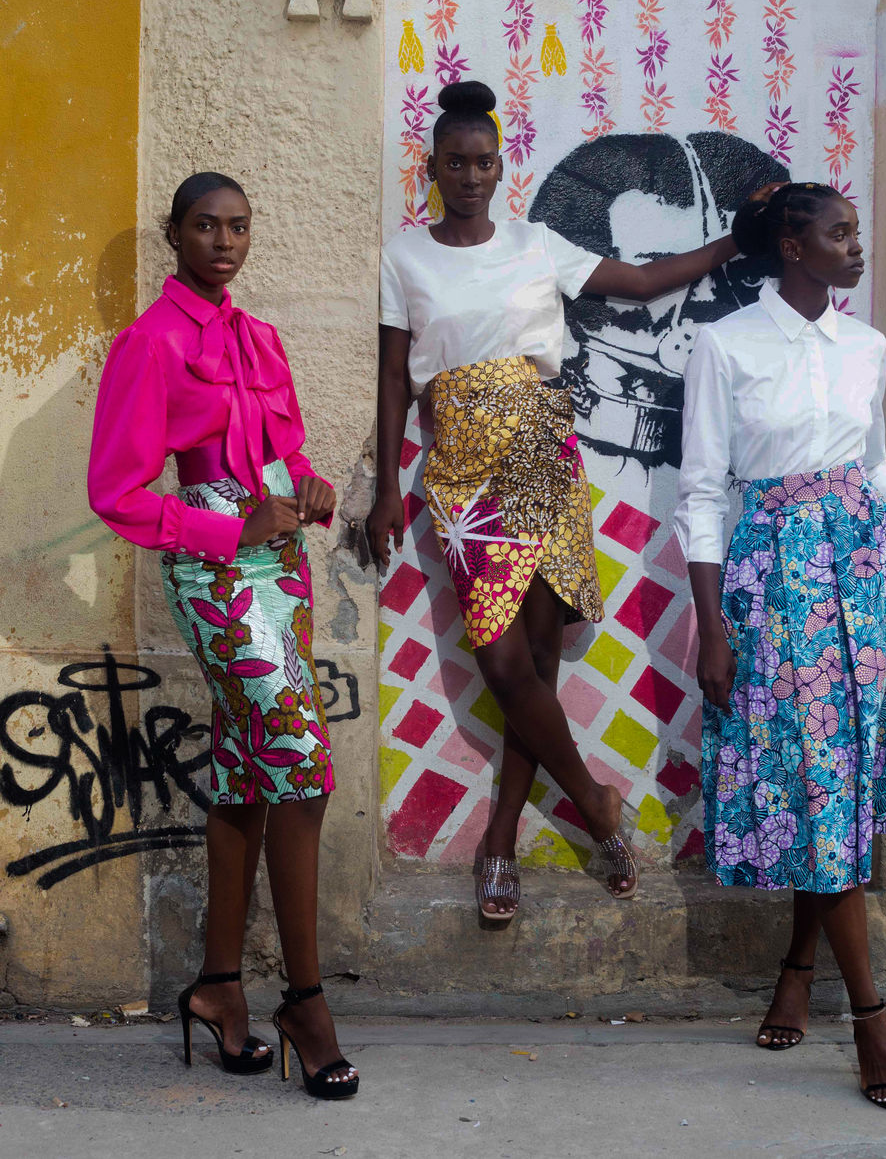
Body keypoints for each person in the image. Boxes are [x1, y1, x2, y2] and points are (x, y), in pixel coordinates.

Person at [367, 80, 738, 920]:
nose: (470, 175)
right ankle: (595, 802)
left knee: (537, 658)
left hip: (538, 445)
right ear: (432, 168)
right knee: (499, 660)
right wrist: (390, 486)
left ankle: (499, 844)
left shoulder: (538, 245)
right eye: (455, 162)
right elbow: (394, 376)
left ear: (501, 168)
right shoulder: (405, 256)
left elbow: (643, 283)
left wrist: (729, 245)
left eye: (484, 162)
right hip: (460, 465)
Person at [88, 173, 358, 1100]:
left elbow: (282, 453)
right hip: (213, 570)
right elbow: (116, 493)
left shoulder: (260, 338)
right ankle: (306, 1000)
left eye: (238, 226)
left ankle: (216, 985)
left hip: (281, 568)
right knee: (305, 768)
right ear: (174, 234)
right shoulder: (148, 343)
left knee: (251, 773)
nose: (224, 241)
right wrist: (224, 529)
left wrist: (310, 487)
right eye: (205, 226)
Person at [675, 180, 886, 1110]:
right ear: (793, 245)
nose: (855, 246)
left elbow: (867, 457)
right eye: (838, 233)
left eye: (856, 231)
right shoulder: (726, 344)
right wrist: (712, 625)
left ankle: (797, 965)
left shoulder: (864, 344)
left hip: (865, 581)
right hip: (774, 582)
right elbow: (704, 490)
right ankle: (870, 1017)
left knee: (840, 782)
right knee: (815, 782)